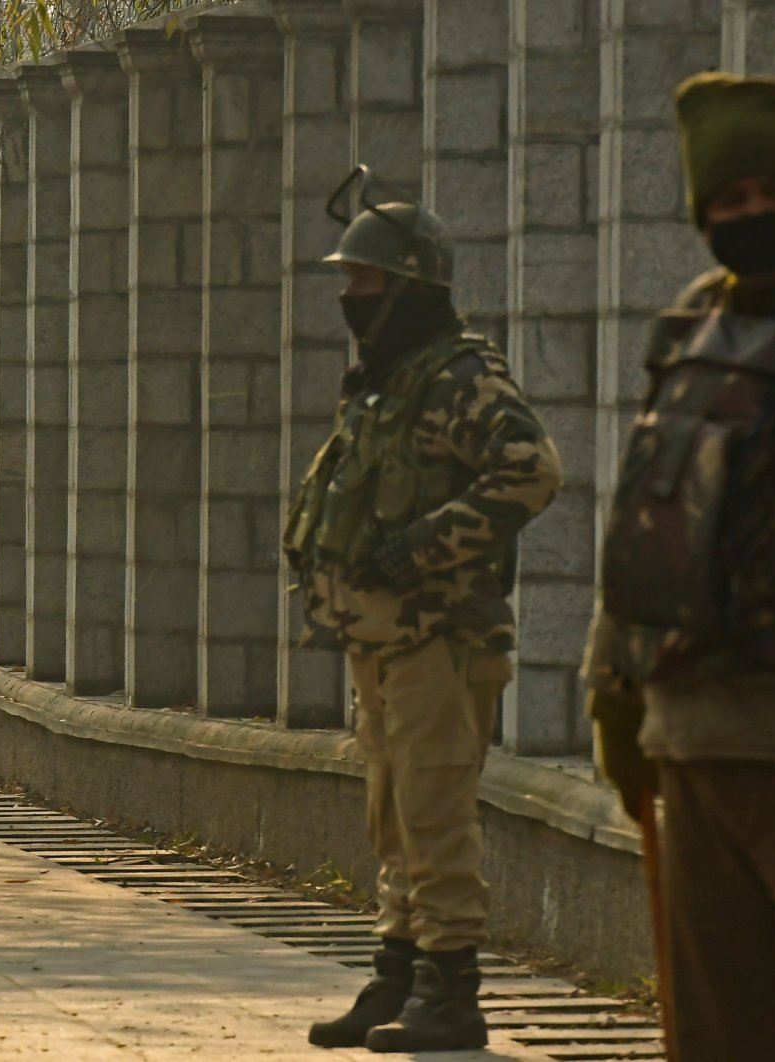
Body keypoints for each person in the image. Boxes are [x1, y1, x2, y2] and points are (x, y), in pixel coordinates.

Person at [284, 179, 564, 1053]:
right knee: (393, 815)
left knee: (436, 814)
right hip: (382, 638)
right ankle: (397, 977)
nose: (352, 299)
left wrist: (420, 548)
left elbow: (532, 470)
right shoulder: (389, 380)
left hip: (443, 638)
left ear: (412, 288)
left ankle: (452, 995)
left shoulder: (461, 377)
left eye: (367, 284)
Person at [584, 72, 775, 1062]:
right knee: (723, 1033)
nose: (752, 216)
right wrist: (613, 692)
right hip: (691, 734)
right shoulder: (694, 327)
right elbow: (646, 509)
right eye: (730, 202)